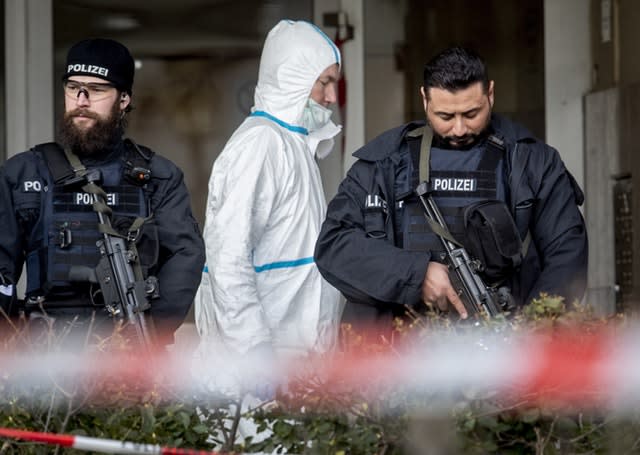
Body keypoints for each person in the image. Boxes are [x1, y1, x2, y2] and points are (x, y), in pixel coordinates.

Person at [314, 46, 588, 332]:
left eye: (472, 113)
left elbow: (567, 256)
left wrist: (532, 336)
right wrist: (418, 275)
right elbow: (334, 245)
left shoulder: (532, 162)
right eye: (445, 116)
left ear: (490, 94)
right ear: (424, 99)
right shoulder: (385, 163)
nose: (459, 129)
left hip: (504, 349)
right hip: (395, 357)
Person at [0, 38, 205, 346]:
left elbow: (185, 257)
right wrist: (14, 338)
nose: (81, 100)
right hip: (44, 356)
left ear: (123, 99)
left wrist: (145, 337)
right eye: (73, 88)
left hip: (128, 349)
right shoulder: (24, 173)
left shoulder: (158, 177)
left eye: (96, 90)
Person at [194, 19, 343, 364]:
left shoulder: (294, 146)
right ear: (295, 77)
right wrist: (252, 351)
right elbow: (228, 256)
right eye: (325, 82)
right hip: (259, 366)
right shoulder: (261, 144)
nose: (332, 97)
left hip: (294, 362)